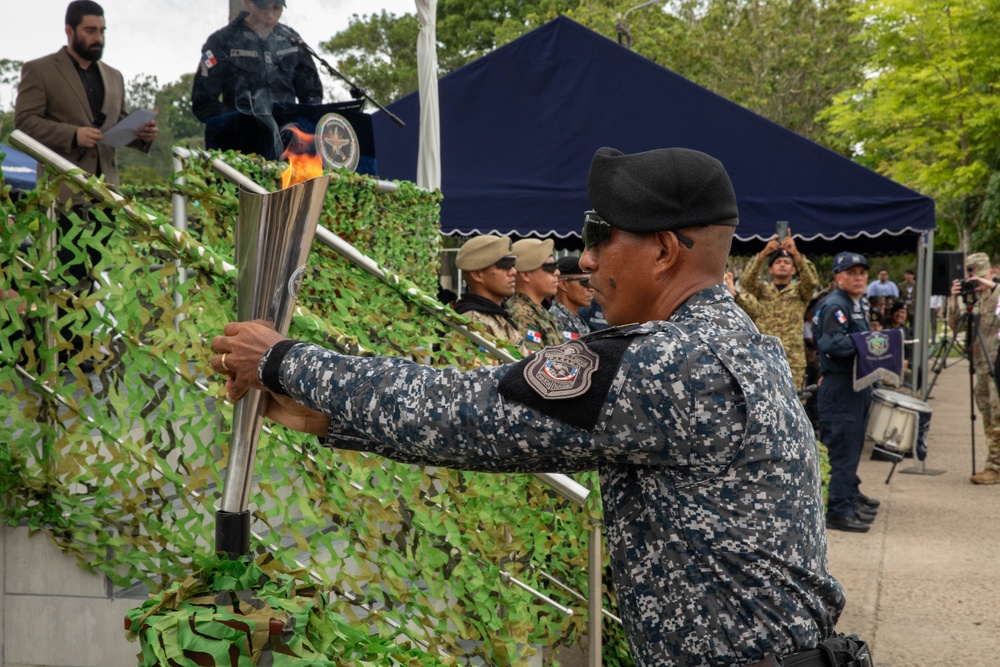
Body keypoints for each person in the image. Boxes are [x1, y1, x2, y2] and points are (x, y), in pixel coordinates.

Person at [211, 146, 849, 666]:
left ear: (664, 251)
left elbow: (467, 410)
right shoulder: (734, 340)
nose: (589, 259)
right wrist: (329, 418)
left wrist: (285, 360)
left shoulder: (666, 361)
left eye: (603, 235)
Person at [14, 0, 158, 202]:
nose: (98, 38)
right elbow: (24, 124)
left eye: (102, 31)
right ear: (69, 30)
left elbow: (118, 126)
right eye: (90, 31)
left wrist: (142, 135)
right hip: (62, 194)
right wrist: (73, 135)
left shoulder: (114, 76)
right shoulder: (39, 70)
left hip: (109, 195)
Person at [814, 252, 881, 532]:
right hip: (841, 385)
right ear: (838, 277)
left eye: (862, 273)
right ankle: (839, 511)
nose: (858, 277)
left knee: (852, 447)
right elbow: (832, 344)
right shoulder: (835, 305)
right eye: (851, 272)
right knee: (842, 449)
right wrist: (869, 344)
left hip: (855, 384)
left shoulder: (856, 303)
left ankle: (849, 498)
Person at [191, 0, 323, 124]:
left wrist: (303, 125)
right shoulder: (221, 42)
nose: (270, 15)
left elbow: (312, 94)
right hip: (240, 138)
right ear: (247, 3)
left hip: (289, 136)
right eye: (263, 7)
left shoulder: (293, 40)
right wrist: (234, 124)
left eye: (276, 8)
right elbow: (203, 101)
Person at [738, 235, 819, 388]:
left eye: (787, 262)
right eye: (778, 262)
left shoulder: (800, 292)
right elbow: (747, 281)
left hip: (792, 359)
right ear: (770, 269)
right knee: (765, 399)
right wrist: (763, 254)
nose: (782, 264)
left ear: (794, 270)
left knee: (795, 402)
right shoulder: (762, 291)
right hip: (764, 355)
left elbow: (812, 282)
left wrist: (795, 253)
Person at [950, 252, 1000, 484]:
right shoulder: (973, 302)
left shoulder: (996, 297)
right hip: (981, 367)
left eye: (980, 278)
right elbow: (957, 329)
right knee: (988, 416)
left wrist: (992, 286)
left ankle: (995, 467)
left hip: (996, 367)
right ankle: (994, 462)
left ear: (990, 273)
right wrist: (954, 299)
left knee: (997, 416)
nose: (976, 284)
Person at [451, 235, 529, 359]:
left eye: (513, 263)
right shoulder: (470, 325)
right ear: (477, 275)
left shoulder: (499, 315)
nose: (513, 271)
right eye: (505, 264)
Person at [505, 239, 563, 351]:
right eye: (550, 267)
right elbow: (534, 364)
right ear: (526, 275)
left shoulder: (537, 311)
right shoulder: (520, 314)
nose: (557, 272)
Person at [548, 254, 594, 340]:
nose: (591, 289)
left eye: (592, 282)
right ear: (563, 284)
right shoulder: (555, 320)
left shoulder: (576, 318)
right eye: (585, 282)